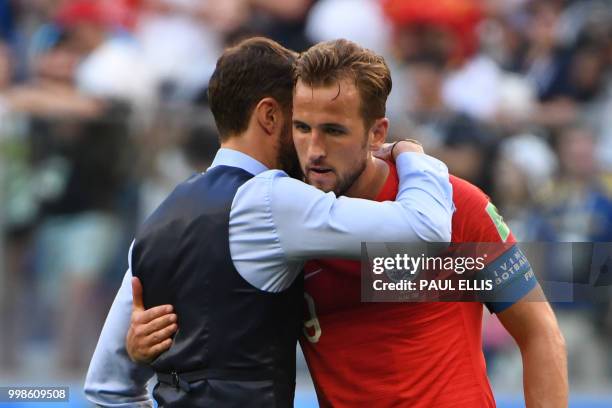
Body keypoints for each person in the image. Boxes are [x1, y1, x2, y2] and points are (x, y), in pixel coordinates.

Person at [128, 39, 568, 407]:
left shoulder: (456, 206)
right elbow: (215, 320)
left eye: (334, 131)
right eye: (302, 128)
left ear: (377, 134)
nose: (314, 149)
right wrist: (139, 346)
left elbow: (539, 334)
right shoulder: (278, 227)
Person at [84, 37, 454, 407]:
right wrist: (413, 155)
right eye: (301, 123)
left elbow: (108, 388)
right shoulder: (272, 200)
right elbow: (426, 229)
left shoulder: (158, 221)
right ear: (270, 116)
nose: (312, 144)